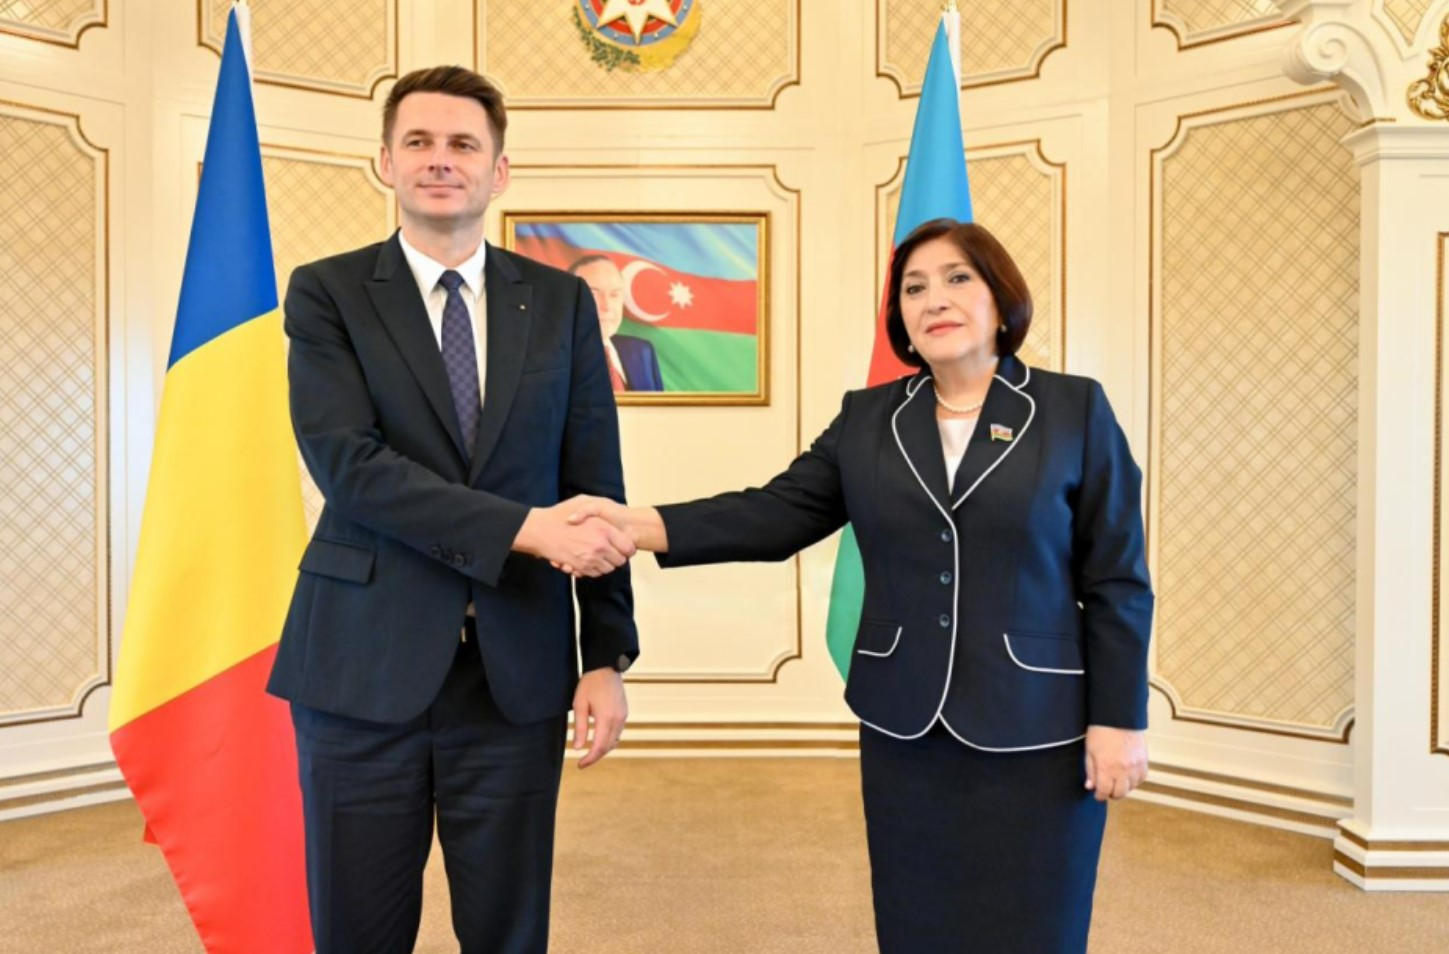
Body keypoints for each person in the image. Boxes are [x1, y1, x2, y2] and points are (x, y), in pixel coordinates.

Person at [567, 219, 1153, 953]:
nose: (933, 299)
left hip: (1038, 721)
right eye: (913, 288)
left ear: (1000, 296)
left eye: (956, 278)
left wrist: (1119, 720)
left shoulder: (1075, 410)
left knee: (1036, 924)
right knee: (916, 921)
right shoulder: (870, 418)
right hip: (904, 720)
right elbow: (774, 513)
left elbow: (1117, 580)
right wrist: (634, 524)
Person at [266, 65, 639, 954]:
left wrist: (606, 654)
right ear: (385, 163)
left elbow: (595, 480)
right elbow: (349, 466)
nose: (441, 160)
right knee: (357, 929)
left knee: (509, 930)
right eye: (419, 142)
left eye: (463, 144)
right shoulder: (327, 292)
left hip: (515, 669)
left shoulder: (559, 302)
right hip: (361, 662)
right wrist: (522, 528)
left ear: (497, 170)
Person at [569, 254, 664, 392]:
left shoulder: (642, 352)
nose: (607, 306)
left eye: (614, 294)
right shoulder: (550, 357)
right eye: (593, 294)